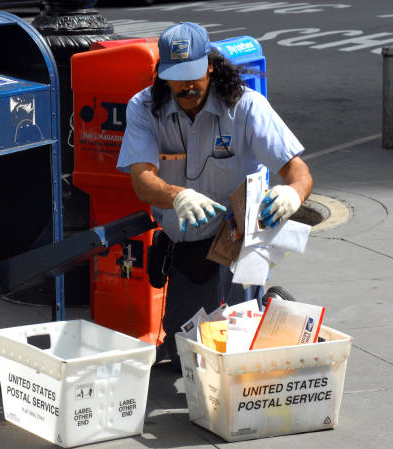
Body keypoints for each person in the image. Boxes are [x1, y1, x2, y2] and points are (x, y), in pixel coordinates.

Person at [116, 22, 313, 369]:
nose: (186, 86)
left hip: (236, 240)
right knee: (186, 356)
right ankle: (264, 307)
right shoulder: (143, 108)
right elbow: (141, 180)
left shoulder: (247, 107)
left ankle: (265, 306)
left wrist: (292, 194)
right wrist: (176, 196)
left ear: (209, 65)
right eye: (176, 77)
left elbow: (298, 172)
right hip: (185, 244)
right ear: (162, 74)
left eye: (193, 74)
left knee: (237, 352)